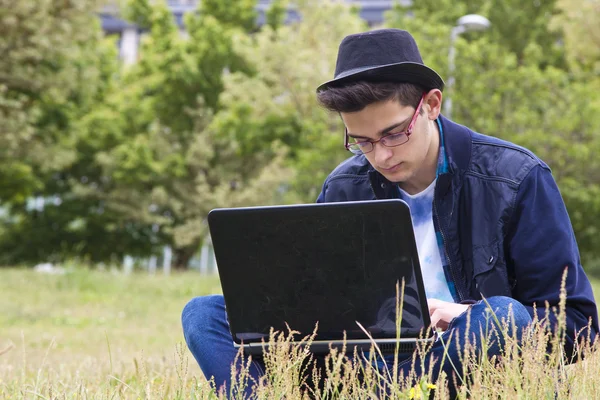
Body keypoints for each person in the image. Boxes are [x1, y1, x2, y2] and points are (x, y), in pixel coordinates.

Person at [182, 28, 598, 397]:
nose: (380, 155)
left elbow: (580, 327)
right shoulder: (344, 186)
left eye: (394, 133)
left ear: (432, 104)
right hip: (362, 366)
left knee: (502, 315)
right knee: (204, 315)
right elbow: (319, 307)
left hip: (466, 364)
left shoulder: (517, 177)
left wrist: (467, 315)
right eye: (361, 140)